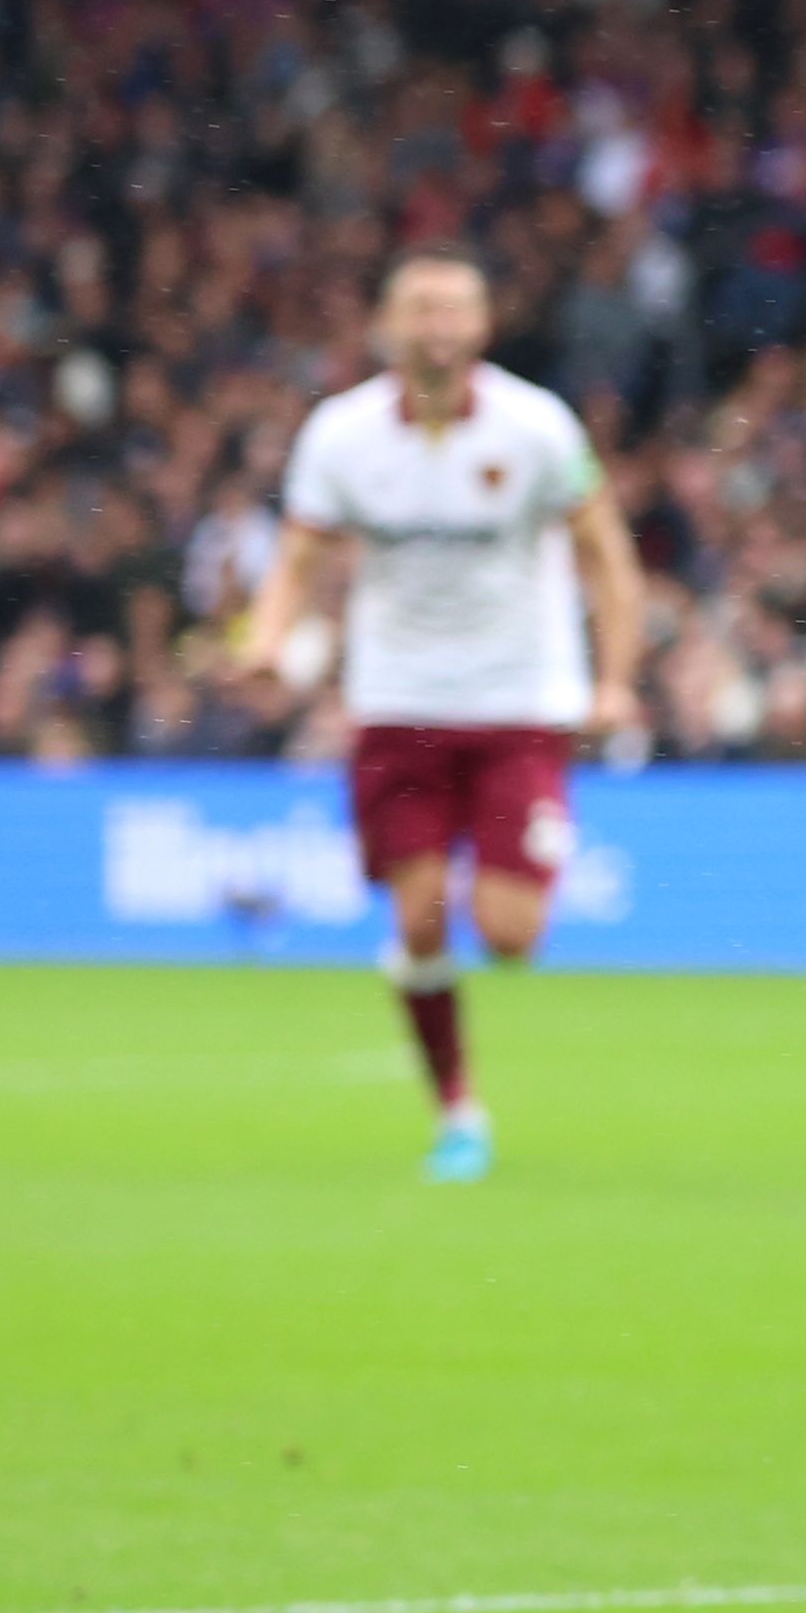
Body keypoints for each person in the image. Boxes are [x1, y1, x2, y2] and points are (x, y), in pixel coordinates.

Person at [239, 244, 645, 1183]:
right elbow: (299, 558)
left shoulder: (536, 426)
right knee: (419, 924)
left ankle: (479, 874)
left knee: (508, 935)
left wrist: (614, 678)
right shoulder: (339, 435)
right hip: (397, 701)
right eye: (420, 308)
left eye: (455, 308)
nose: (438, 326)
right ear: (388, 326)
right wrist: (266, 637)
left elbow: (608, 557)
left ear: (483, 326)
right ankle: (457, 1110)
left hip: (519, 699)